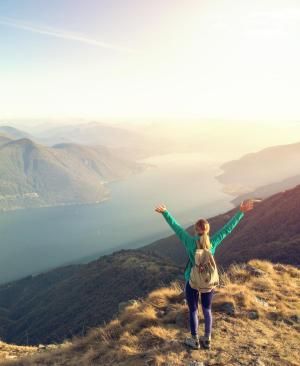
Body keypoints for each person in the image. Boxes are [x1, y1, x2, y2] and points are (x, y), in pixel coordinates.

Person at [155, 199, 254, 350]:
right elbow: (228, 229)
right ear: (207, 230)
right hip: (208, 281)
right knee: (207, 310)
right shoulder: (212, 242)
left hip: (192, 280)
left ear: (195, 230)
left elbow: (176, 227)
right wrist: (240, 212)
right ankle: (207, 339)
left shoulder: (189, 241)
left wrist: (165, 213)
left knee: (193, 310)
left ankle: (194, 340)